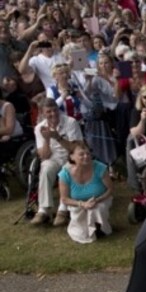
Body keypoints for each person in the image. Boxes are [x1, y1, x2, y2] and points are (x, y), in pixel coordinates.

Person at [30, 98, 83, 226]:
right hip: (52, 158)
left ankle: (62, 210)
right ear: (43, 113)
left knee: (65, 170)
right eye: (49, 112)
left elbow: (76, 148)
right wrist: (47, 139)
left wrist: (57, 137)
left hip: (70, 156)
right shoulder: (39, 128)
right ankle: (44, 209)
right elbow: (44, 155)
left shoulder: (70, 122)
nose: (53, 114)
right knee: (46, 169)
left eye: (55, 110)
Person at [57, 143, 113, 243]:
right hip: (78, 203)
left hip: (99, 200)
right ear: (72, 157)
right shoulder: (65, 174)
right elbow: (64, 199)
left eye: (88, 153)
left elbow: (110, 190)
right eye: (81, 154)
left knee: (97, 209)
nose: (86, 156)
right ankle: (86, 228)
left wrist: (98, 200)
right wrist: (82, 204)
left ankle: (100, 228)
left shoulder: (100, 168)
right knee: (81, 233)